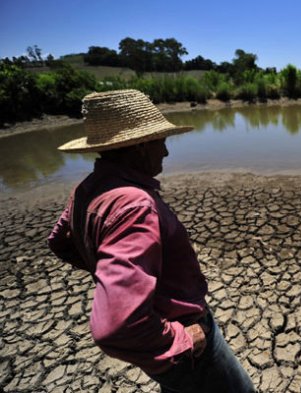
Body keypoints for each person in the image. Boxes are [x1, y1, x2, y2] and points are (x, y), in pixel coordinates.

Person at [48, 89, 255, 392]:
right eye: (162, 141)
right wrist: (180, 340)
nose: (167, 152)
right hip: (188, 341)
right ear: (141, 146)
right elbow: (113, 328)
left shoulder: (86, 189)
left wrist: (107, 272)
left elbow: (60, 242)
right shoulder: (135, 206)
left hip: (164, 338)